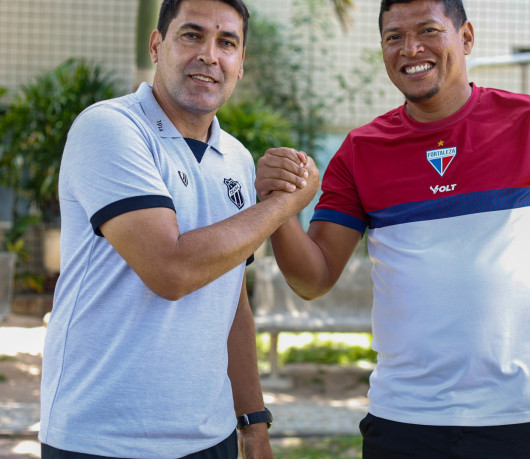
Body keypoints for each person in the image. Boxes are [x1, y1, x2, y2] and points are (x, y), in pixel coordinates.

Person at [254, 0, 530, 458]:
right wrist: (279, 206)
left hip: (518, 419)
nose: (410, 48)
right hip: (403, 421)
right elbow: (313, 279)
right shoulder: (360, 152)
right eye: (394, 36)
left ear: (466, 38)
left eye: (428, 30)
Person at [38, 0, 319, 458]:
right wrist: (285, 204)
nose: (210, 54)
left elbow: (232, 300)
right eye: (192, 35)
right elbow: (170, 271)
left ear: (241, 64)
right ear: (156, 45)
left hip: (210, 439)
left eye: (227, 42)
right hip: (101, 438)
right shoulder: (109, 128)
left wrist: (252, 422)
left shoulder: (238, 158)